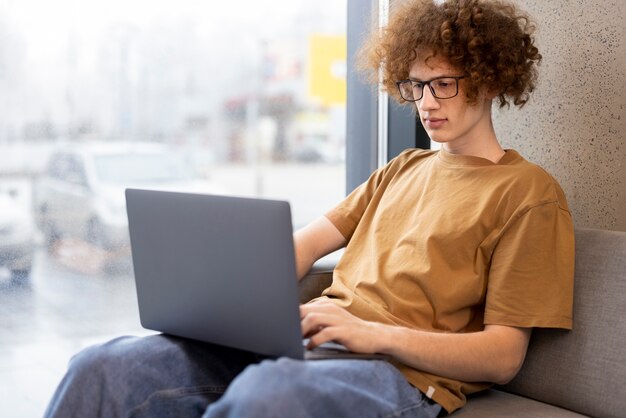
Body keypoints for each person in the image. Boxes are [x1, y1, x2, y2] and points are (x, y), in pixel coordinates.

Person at [44, 0, 574, 416]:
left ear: (488, 80)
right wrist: (230, 304)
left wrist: (373, 334)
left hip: (398, 371)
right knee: (104, 367)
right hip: (317, 340)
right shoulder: (402, 168)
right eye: (416, 85)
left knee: (267, 395)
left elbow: (504, 356)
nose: (426, 103)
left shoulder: (529, 193)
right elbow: (304, 245)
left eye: (443, 85)